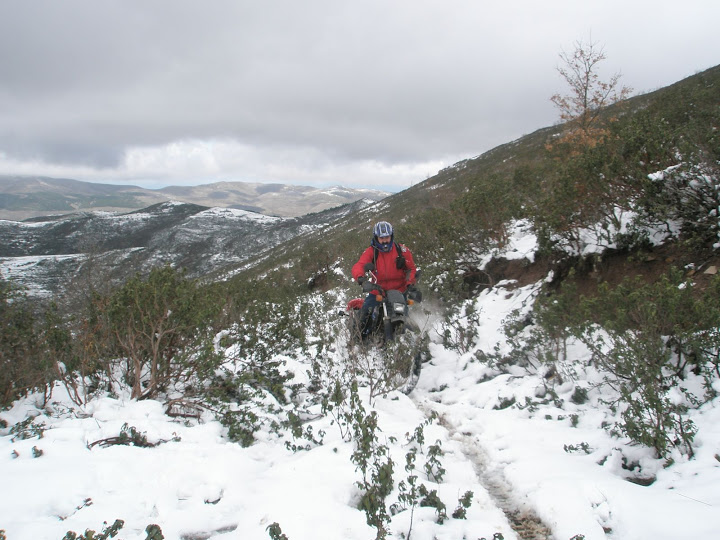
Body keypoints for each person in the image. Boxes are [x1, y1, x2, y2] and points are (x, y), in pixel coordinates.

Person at [351, 221, 417, 338]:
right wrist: (362, 279)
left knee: (405, 316)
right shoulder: (371, 251)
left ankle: (412, 339)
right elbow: (359, 265)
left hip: (399, 291)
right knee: (364, 313)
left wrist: (410, 283)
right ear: (376, 238)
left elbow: (411, 268)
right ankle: (356, 339)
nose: (385, 240)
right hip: (378, 290)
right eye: (381, 238)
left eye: (387, 237)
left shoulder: (402, 250)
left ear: (391, 236)